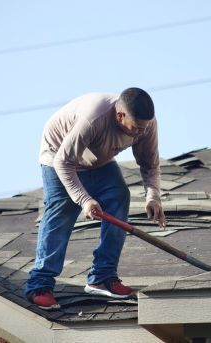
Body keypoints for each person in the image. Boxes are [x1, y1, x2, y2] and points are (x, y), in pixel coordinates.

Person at [25, 87, 166, 310]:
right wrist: (84, 199)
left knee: (119, 195)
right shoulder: (93, 118)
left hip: (97, 160)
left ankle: (102, 277)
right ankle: (40, 285)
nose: (141, 133)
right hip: (58, 157)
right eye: (137, 128)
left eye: (145, 128)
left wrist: (153, 197)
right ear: (120, 116)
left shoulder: (146, 125)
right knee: (61, 210)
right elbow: (64, 162)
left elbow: (150, 164)